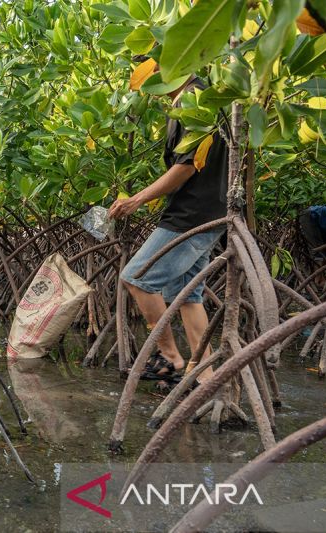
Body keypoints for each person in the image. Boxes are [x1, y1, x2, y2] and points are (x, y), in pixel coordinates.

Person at [108, 74, 227, 383]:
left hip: (192, 214)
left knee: (136, 276)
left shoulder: (193, 98)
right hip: (207, 212)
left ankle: (170, 357)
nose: (143, 77)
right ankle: (204, 375)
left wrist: (137, 199)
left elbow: (186, 166)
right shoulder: (198, 97)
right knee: (186, 294)